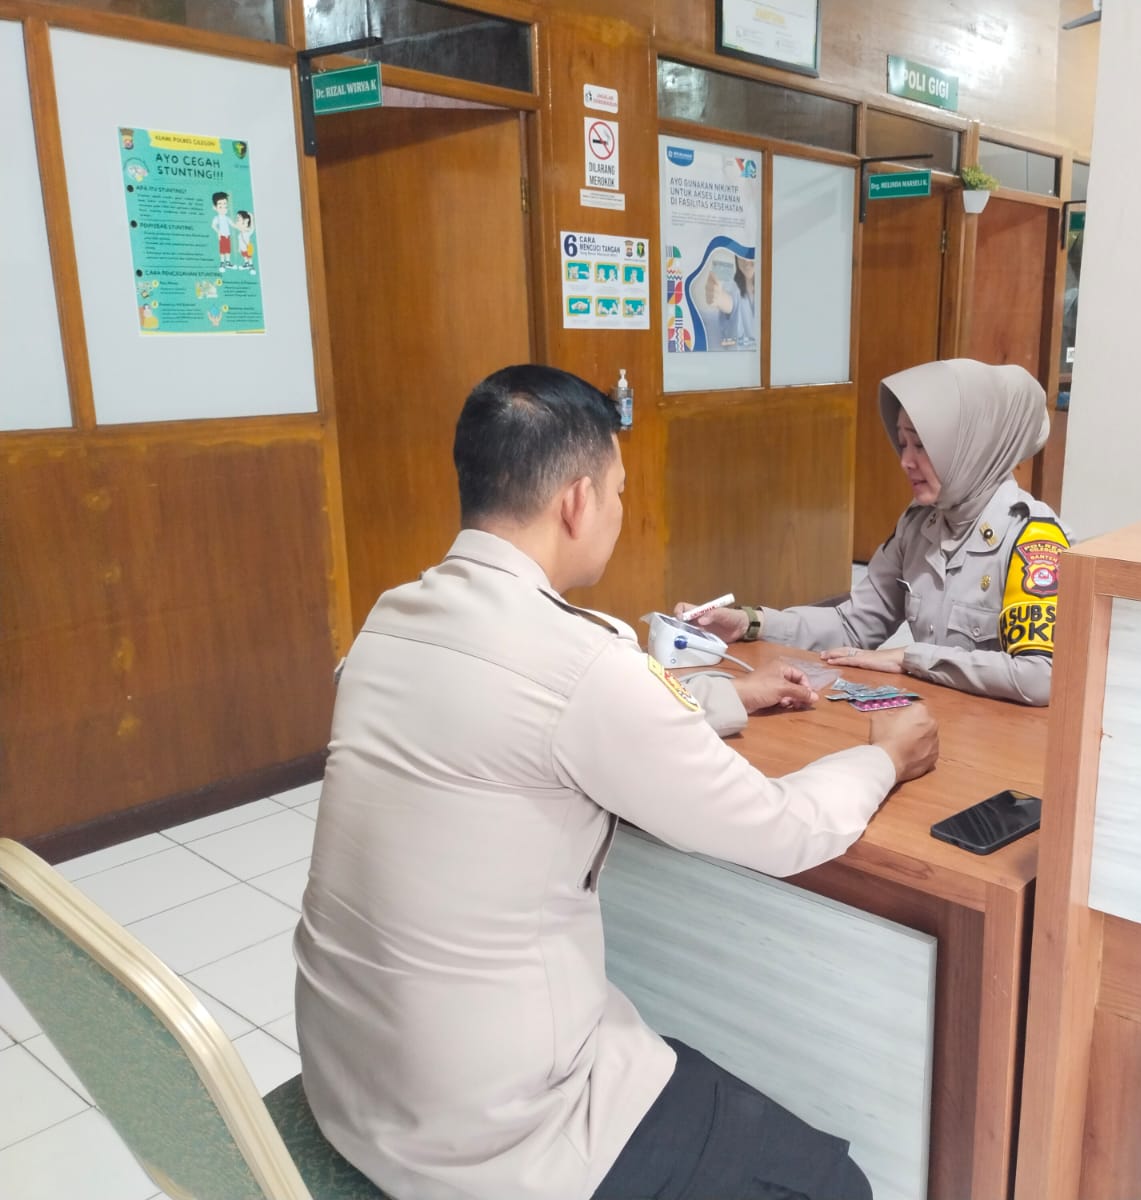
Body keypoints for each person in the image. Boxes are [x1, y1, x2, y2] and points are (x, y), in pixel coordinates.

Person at [294, 364, 939, 1200]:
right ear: (577, 500)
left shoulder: (390, 621)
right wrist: (884, 756)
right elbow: (781, 831)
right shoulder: (582, 658)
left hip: (351, 1085)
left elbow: (519, 718)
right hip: (499, 1137)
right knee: (835, 1186)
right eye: (620, 492)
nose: (620, 512)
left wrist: (726, 698)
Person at [678, 359, 1071, 707]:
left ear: (972, 447)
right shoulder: (920, 524)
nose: (905, 461)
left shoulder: (1032, 540)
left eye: (922, 445)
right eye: (902, 443)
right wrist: (751, 623)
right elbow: (854, 624)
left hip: (999, 740)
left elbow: (1041, 676)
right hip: (931, 719)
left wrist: (910, 658)